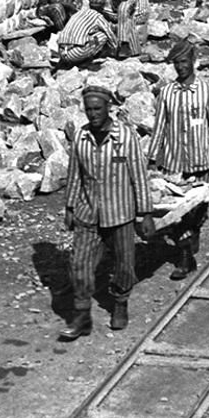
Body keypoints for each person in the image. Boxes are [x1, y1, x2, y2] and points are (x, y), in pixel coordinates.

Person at [60, 85, 154, 340]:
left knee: (124, 266)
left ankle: (120, 302)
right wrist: (69, 207)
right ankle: (81, 317)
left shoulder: (125, 136)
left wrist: (145, 213)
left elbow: (139, 176)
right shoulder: (81, 137)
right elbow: (74, 174)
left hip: (120, 214)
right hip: (88, 212)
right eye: (88, 109)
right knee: (78, 264)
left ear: (108, 108)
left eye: (97, 109)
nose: (93, 114)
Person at [150, 40, 209, 281]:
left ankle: (193, 231)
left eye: (184, 62)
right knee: (178, 211)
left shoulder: (206, 92)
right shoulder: (167, 93)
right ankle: (185, 259)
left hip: (200, 162)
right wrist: (152, 158)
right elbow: (159, 128)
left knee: (197, 207)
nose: (181, 67)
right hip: (174, 164)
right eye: (176, 63)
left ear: (193, 62)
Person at [54, 0, 116, 67]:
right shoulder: (97, 16)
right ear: (102, 6)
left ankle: (69, 60)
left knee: (86, 36)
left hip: (61, 51)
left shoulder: (79, 13)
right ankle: (86, 60)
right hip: (75, 53)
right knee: (102, 35)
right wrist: (115, 49)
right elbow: (109, 33)